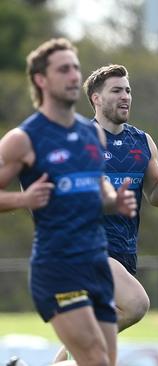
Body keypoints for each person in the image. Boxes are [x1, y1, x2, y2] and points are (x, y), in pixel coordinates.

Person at [0, 38, 137, 366]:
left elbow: (95, 187)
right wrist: (24, 198)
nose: (74, 75)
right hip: (59, 265)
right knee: (95, 359)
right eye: (64, 69)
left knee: (100, 361)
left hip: (97, 263)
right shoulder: (24, 139)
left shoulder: (92, 135)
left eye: (75, 67)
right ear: (41, 80)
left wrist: (111, 201)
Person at [51, 64, 158, 362]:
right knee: (136, 304)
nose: (125, 96)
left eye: (127, 90)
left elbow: (156, 197)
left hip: (123, 252)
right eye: (116, 90)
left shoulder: (142, 142)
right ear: (96, 99)